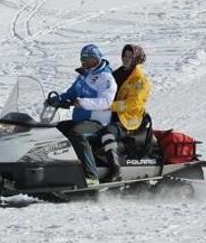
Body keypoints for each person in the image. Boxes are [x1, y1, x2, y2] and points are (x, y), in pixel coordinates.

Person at [46, 44, 117, 187]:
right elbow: (71, 93)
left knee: (77, 135)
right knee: (54, 130)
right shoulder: (84, 76)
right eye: (81, 58)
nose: (83, 61)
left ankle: (91, 177)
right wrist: (57, 99)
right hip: (80, 120)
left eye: (86, 59)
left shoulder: (106, 77)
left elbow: (106, 102)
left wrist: (81, 102)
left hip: (97, 123)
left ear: (95, 59)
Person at [98, 44, 151, 182]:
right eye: (124, 55)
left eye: (130, 56)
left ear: (137, 58)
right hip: (112, 115)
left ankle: (115, 169)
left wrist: (111, 106)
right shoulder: (117, 73)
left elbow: (135, 103)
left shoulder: (139, 79)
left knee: (107, 133)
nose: (126, 59)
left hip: (128, 119)